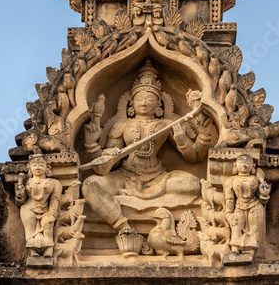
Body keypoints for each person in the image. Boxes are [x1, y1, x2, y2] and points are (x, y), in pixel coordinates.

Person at [82, 60, 212, 233]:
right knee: (90, 185)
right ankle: (121, 224)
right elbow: (104, 167)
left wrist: (192, 137)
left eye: (149, 99)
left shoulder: (166, 124)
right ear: (131, 104)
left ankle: (145, 203)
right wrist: (99, 148)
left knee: (193, 185)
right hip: (124, 176)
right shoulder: (122, 125)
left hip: (157, 177)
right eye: (139, 98)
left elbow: (195, 157)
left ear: (158, 105)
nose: (144, 102)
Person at [15, 154, 62, 258]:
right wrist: (19, 193)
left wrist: (53, 213)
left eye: (41, 165)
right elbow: (21, 200)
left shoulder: (55, 183)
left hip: (46, 209)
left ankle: (48, 250)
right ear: (30, 168)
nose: (37, 167)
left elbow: (55, 199)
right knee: (30, 230)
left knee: (48, 229)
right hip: (28, 208)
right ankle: (32, 251)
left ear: (47, 167)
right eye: (34, 165)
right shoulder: (27, 182)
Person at [223, 154, 271, 257]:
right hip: (239, 206)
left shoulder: (255, 180)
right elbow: (230, 199)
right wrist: (228, 213)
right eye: (241, 163)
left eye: (247, 163)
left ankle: (250, 251)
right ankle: (235, 249)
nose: (244, 166)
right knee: (236, 226)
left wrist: (264, 194)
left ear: (253, 165)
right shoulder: (230, 180)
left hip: (255, 206)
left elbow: (262, 201)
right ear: (235, 165)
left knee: (254, 229)